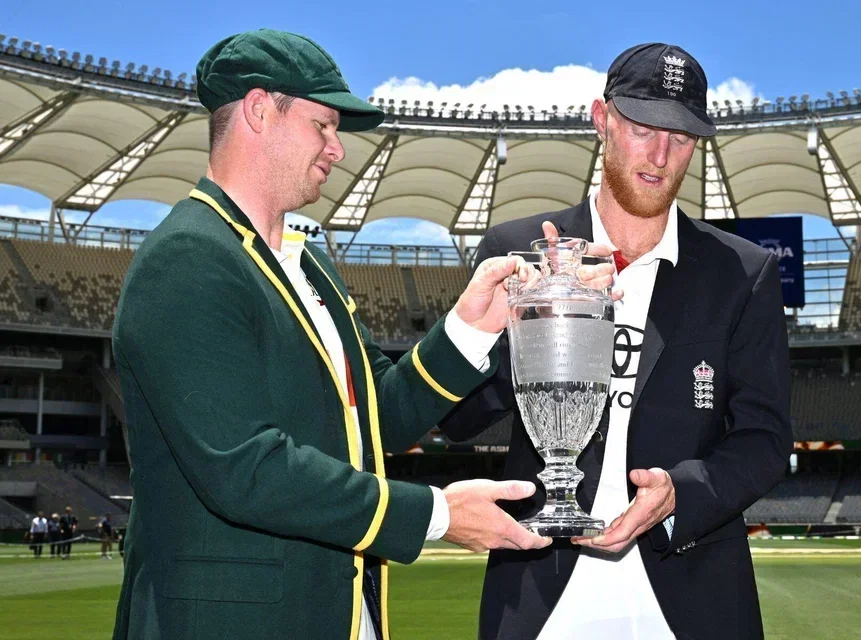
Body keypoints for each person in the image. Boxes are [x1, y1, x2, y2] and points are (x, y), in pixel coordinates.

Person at [110, 29, 614, 640]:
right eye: (323, 124)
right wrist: (436, 514)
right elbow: (246, 469)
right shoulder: (189, 258)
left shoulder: (306, 263)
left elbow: (378, 419)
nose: (337, 148)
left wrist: (474, 324)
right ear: (259, 110)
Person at [439, 43, 793, 639]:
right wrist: (521, 326)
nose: (659, 155)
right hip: (540, 589)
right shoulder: (519, 251)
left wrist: (680, 493)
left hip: (692, 593)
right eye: (642, 127)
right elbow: (459, 418)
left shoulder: (743, 273)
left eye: (680, 137)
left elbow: (764, 439)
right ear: (601, 119)